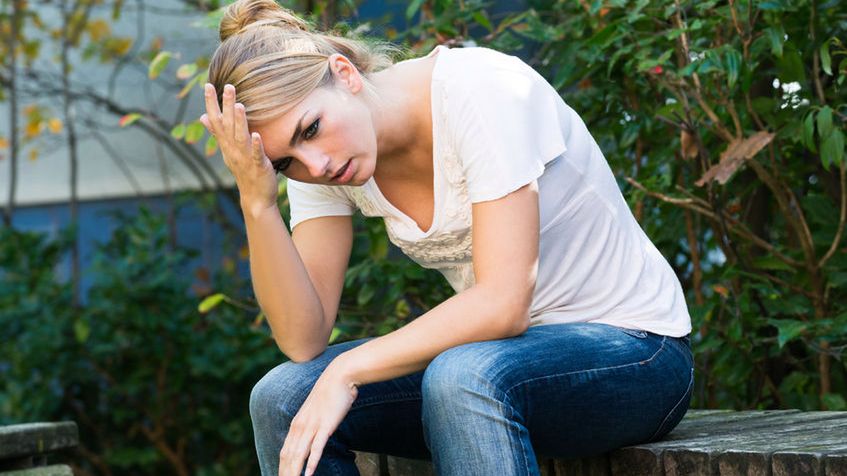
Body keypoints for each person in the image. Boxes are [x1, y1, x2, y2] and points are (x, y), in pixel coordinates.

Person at [199, 0, 694, 475]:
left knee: (462, 376)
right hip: (499, 365)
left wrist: (347, 368)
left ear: (345, 74)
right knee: (282, 398)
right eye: (286, 162)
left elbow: (503, 304)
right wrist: (258, 201)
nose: (315, 165)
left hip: (636, 352)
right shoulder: (325, 163)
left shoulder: (479, 89)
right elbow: (302, 339)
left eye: (310, 130)